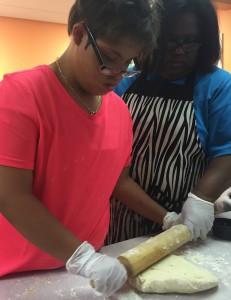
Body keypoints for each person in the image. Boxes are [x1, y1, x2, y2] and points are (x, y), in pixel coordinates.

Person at [0, 0, 164, 297]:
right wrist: (82, 257)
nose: (115, 74)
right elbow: (10, 196)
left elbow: (119, 181)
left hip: (89, 272)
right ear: (78, 34)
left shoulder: (118, 111)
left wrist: (166, 217)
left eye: (127, 64)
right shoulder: (20, 95)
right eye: (109, 58)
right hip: (17, 275)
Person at [107, 0, 231, 245]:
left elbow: (226, 151)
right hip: (119, 217)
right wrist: (166, 218)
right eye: (169, 42)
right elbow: (112, 166)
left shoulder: (217, 86)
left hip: (188, 222)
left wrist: (201, 200)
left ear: (203, 42)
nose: (178, 51)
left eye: (189, 42)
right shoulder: (126, 81)